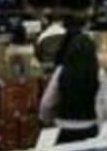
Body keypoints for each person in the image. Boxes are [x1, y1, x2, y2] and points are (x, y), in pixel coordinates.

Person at [38, 14, 99, 144]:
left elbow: (47, 104)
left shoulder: (62, 70)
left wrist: (47, 120)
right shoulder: (97, 72)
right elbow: (106, 103)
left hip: (63, 128)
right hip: (89, 126)